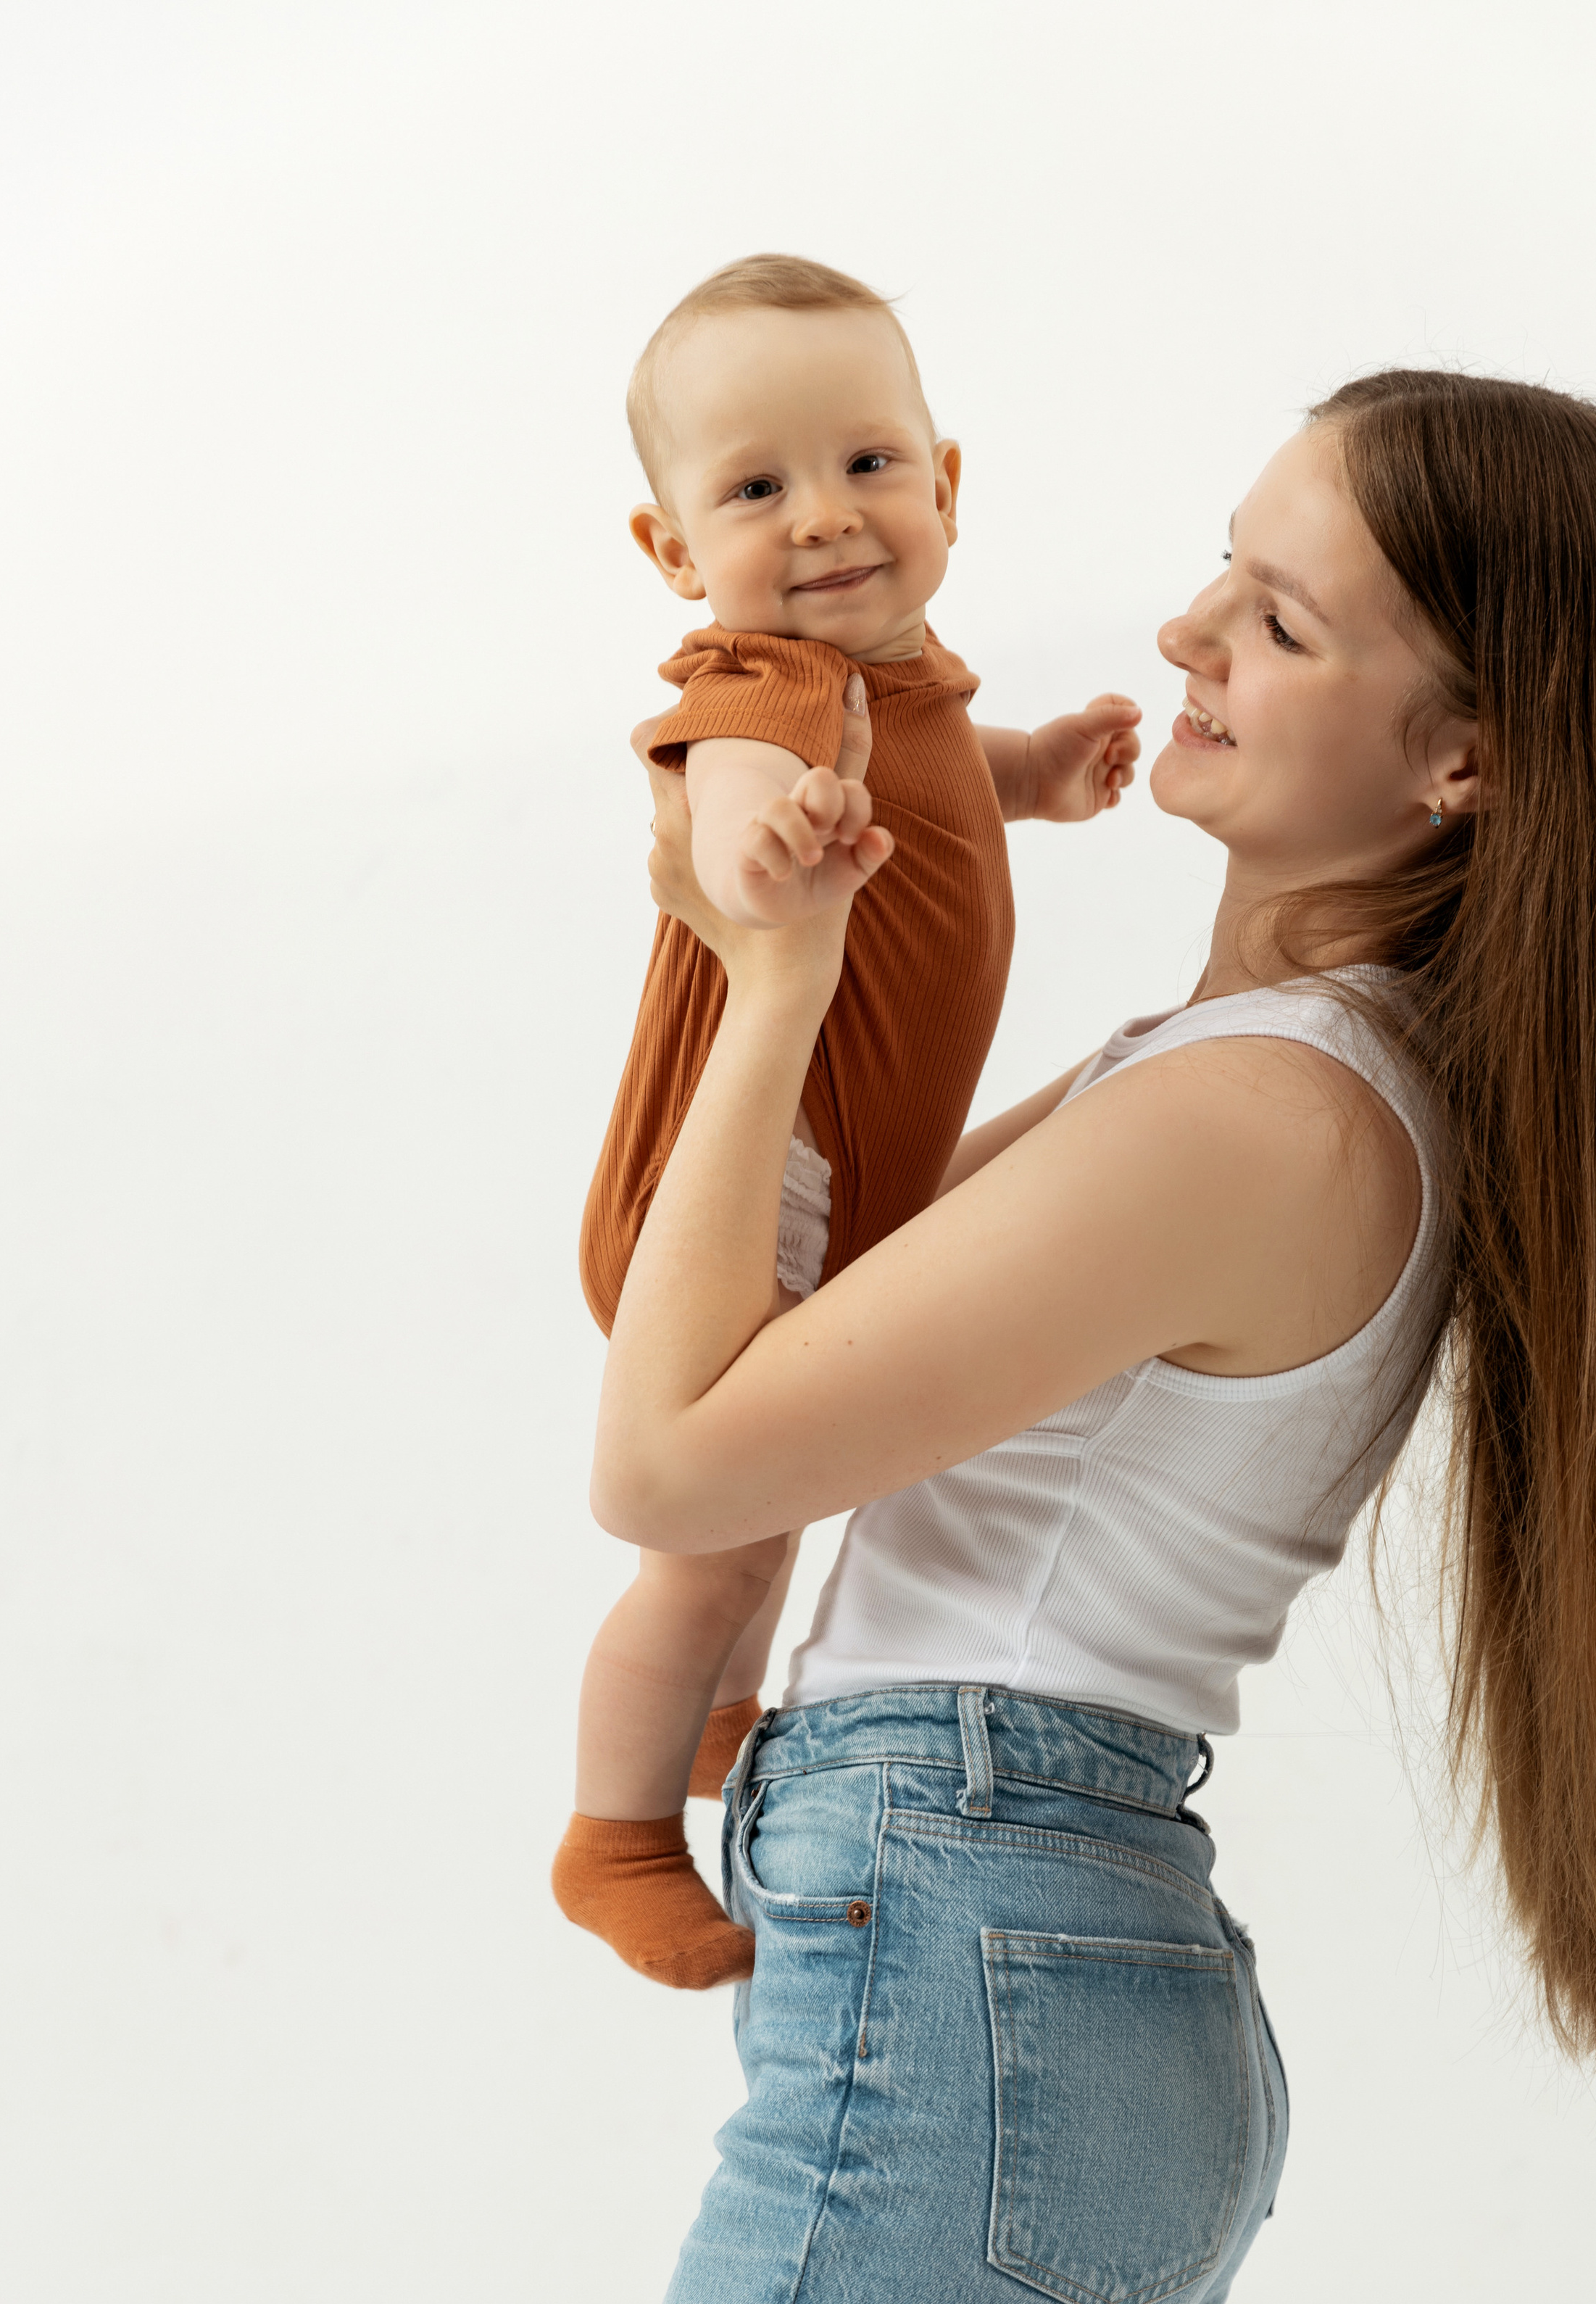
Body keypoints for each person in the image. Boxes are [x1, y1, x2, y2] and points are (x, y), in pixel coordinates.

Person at [542, 371, 1596, 2304]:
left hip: (977, 1959)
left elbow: (679, 1445)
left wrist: (788, 979)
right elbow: (802, 1331)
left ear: (1464, 765)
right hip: (1055, 1984)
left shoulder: (1262, 1109)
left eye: (1277, 615)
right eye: (1220, 570)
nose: (1184, 636)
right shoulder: (1253, 1063)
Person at [555, 252, 1141, 1990]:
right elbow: (724, 773)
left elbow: (960, 776)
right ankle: (613, 1834)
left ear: (946, 483)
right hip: (742, 1194)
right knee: (714, 1537)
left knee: (773, 1506)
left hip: (834, 1195)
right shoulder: (770, 687)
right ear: (673, 553)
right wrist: (756, 856)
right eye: (753, 488)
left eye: (868, 465)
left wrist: (1043, 771)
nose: (823, 519)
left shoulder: (911, 680)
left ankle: (726, 1716)